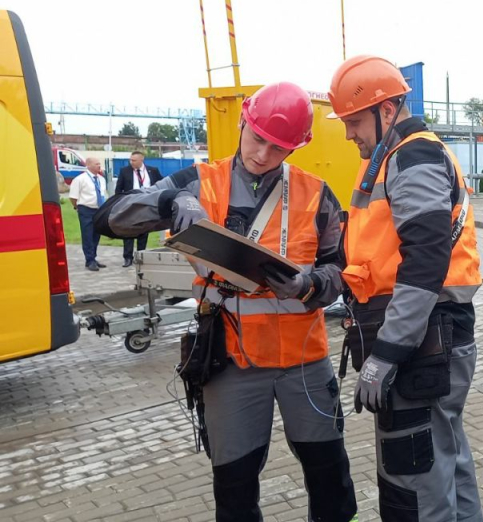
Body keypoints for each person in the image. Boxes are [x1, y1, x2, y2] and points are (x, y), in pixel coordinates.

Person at [97, 82, 357, 522]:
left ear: (297, 147)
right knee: (234, 490)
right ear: (243, 122)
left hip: (304, 362)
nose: (263, 154)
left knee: (331, 482)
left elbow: (343, 270)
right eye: (257, 139)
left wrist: (310, 284)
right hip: (231, 362)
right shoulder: (200, 182)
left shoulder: (317, 194)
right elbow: (110, 218)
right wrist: (171, 199)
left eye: (278, 148)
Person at [328, 55, 483, 522]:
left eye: (354, 121)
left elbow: (425, 261)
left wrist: (387, 354)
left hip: (421, 342)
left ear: (387, 110)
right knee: (446, 463)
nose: (349, 133)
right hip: (433, 336)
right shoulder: (395, 158)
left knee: (413, 483)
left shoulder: (411, 156)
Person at [114, 151, 162, 267]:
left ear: (141, 160)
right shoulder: (125, 171)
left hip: (147, 205)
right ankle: (128, 257)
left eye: (134, 160)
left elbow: (161, 185)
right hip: (130, 205)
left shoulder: (153, 171)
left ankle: (141, 255)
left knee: (143, 231)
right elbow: (119, 189)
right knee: (128, 231)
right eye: (130, 160)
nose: (131, 162)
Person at [68, 156, 108, 271]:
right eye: (96, 164)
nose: (99, 166)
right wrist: (77, 207)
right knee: (88, 235)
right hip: (86, 209)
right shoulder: (80, 179)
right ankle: (89, 260)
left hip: (99, 210)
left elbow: (103, 194)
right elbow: (73, 197)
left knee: (96, 234)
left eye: (99, 164)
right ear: (88, 165)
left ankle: (93, 258)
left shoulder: (101, 179)